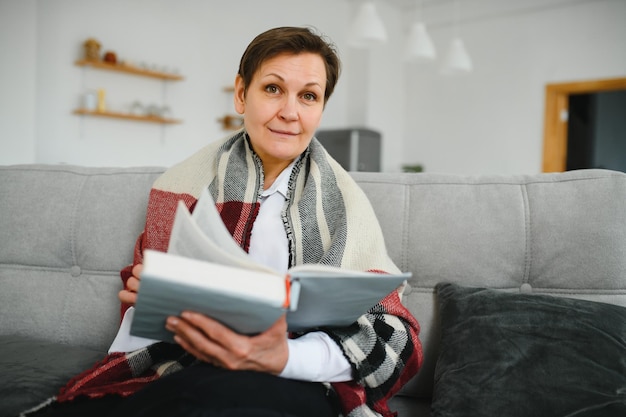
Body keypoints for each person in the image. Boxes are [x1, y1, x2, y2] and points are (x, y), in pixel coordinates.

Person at [25, 26, 422, 417]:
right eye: (272, 88)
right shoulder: (181, 188)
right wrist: (155, 297)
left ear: (320, 109)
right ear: (240, 94)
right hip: (193, 368)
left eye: (308, 96)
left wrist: (283, 356)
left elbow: (396, 338)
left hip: (299, 382)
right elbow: (145, 333)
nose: (289, 111)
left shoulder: (347, 206)